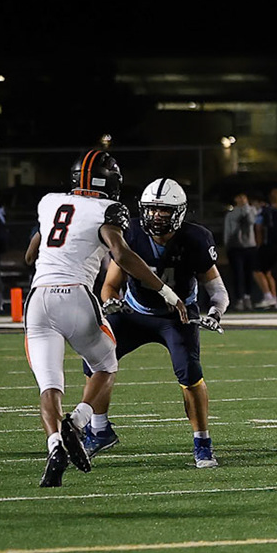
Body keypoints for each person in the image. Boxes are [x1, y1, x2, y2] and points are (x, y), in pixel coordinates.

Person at [23, 150, 187, 488]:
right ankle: (79, 420)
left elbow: (30, 256)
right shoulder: (108, 209)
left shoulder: (49, 202)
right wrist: (166, 292)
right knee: (106, 364)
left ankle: (54, 446)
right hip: (75, 295)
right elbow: (122, 254)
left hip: (37, 300)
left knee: (50, 385)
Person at [88, 178, 230, 468]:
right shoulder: (131, 233)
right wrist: (111, 301)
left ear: (178, 212)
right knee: (95, 360)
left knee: (190, 374)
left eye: (163, 210)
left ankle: (202, 442)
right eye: (151, 209)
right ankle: (99, 429)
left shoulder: (195, 238)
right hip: (133, 312)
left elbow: (218, 290)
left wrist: (215, 313)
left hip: (178, 317)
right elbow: (110, 284)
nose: (155, 216)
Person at [222, 193, 261, 309]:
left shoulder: (252, 210)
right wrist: (227, 245)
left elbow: (250, 220)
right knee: (238, 274)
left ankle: (247, 296)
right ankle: (239, 299)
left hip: (249, 246)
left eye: (244, 197)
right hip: (235, 247)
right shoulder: (231, 213)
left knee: (249, 274)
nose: (242, 199)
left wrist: (246, 207)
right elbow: (228, 230)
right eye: (240, 197)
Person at [254, 193, 277, 308]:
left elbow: (258, 228)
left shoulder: (265, 212)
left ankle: (268, 297)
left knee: (256, 270)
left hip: (268, 245)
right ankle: (274, 299)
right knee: (267, 271)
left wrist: (258, 245)